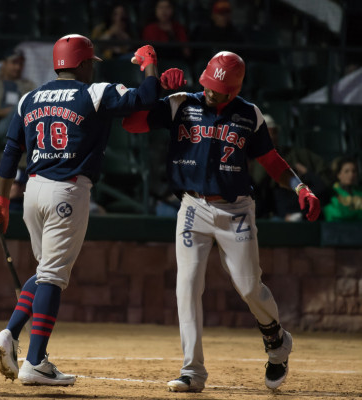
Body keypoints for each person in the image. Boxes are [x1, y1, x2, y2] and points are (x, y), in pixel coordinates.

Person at [122, 51, 321, 392]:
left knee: (248, 286)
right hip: (192, 207)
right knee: (187, 287)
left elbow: (270, 159)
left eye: (219, 89)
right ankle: (192, 372)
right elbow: (132, 123)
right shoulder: (181, 103)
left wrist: (299, 186)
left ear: (234, 89)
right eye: (209, 86)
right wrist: (152, 88)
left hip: (236, 210)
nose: (212, 92)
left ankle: (277, 341)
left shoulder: (248, 114)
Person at [0, 34, 160, 386]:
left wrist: (2, 200)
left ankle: (10, 334)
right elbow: (146, 98)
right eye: (90, 64)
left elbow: (9, 154)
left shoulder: (28, 98)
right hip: (68, 190)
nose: (91, 70)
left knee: (45, 271)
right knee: (52, 276)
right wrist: (150, 65)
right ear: (81, 64)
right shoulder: (93, 93)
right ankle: (35, 361)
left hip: (32, 191)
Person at [250, 114, 332, 220]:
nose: (270, 137)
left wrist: (307, 175)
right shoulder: (250, 161)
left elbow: (324, 178)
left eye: (273, 132)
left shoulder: (296, 155)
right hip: (267, 213)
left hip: (297, 207)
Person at [323, 156, 362, 221]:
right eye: (346, 171)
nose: (351, 174)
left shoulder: (360, 191)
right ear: (338, 174)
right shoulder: (331, 192)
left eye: (354, 171)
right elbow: (337, 215)